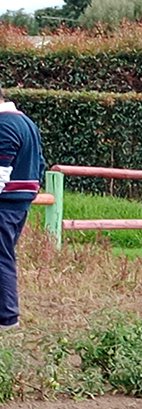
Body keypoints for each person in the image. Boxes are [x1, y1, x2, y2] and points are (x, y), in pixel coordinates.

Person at [0, 87, 46, 331]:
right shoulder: (26, 122)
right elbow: (40, 163)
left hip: (5, 203)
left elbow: (0, 172)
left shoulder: (4, 125)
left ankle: (7, 317)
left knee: (1, 258)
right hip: (19, 202)